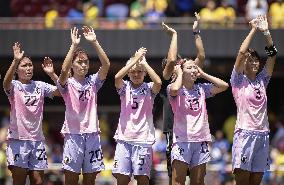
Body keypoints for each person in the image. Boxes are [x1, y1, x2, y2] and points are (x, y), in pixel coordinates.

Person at [57, 26, 110, 185]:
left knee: (90, 180)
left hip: (93, 135)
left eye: (86, 62)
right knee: (71, 180)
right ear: (73, 65)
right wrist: (73, 45)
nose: (84, 65)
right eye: (79, 62)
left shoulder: (93, 82)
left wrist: (94, 42)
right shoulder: (67, 84)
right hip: (73, 136)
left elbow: (106, 65)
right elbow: (64, 69)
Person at [3, 42, 60, 185]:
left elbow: (63, 91)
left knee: (38, 181)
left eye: (30, 65)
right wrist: (15, 60)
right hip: (18, 141)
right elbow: (6, 83)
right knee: (19, 181)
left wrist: (52, 74)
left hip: (37, 141)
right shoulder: (15, 86)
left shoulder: (40, 85)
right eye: (24, 66)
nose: (28, 68)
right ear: (17, 70)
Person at [230, 15, 277, 185]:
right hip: (245, 134)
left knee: (256, 181)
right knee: (242, 180)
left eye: (256, 59)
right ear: (244, 64)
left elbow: (272, 56)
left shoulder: (262, 80)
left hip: (263, 134)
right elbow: (242, 53)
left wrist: (266, 33)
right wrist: (253, 29)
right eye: (251, 60)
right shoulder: (238, 81)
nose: (255, 62)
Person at [168, 59, 228, 185]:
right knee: (178, 182)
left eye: (195, 67)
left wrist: (204, 74)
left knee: (198, 182)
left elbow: (224, 86)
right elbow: (174, 89)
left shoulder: (201, 89)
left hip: (201, 140)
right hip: (182, 141)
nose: (194, 70)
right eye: (189, 68)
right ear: (181, 71)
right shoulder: (174, 88)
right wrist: (178, 74)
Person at [161, 12, 205, 184]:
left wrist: (196, 32)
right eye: (177, 66)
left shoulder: (189, 78)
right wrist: (174, 35)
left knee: (198, 180)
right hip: (174, 132)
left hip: (195, 133)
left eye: (182, 65)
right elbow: (171, 60)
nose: (180, 66)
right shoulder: (168, 79)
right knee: (176, 179)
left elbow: (200, 57)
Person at [112, 47, 162, 185]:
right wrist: (134, 60)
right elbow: (117, 77)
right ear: (128, 73)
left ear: (145, 73)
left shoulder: (149, 87)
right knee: (122, 178)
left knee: (142, 179)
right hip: (124, 139)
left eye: (139, 71)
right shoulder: (124, 87)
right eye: (133, 72)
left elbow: (158, 82)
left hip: (143, 140)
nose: (136, 74)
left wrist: (144, 63)